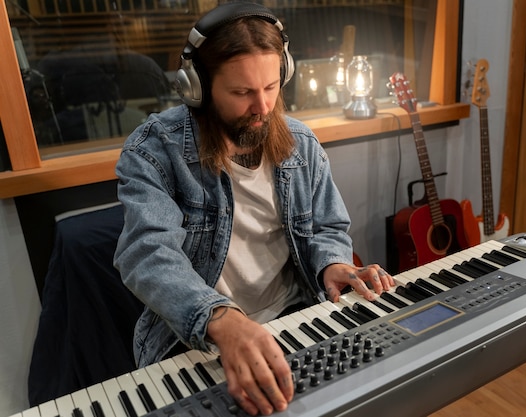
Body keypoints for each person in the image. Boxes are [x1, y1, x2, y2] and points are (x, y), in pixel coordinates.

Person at [113, 2, 394, 415]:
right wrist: (224, 320)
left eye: (270, 87)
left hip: (294, 320)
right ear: (199, 87)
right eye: (243, 92)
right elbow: (147, 255)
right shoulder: (154, 151)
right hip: (195, 337)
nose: (262, 107)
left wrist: (332, 264)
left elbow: (327, 228)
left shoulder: (302, 144)